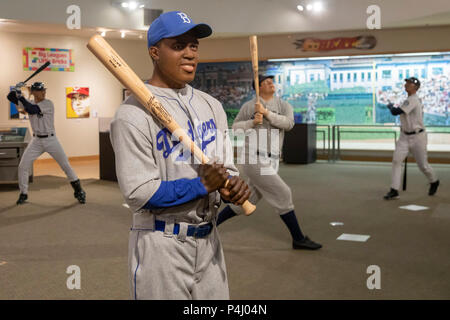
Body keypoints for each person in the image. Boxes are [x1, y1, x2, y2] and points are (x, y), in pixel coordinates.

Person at [109, 11, 250, 300]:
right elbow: (138, 193)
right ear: (154, 52)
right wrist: (201, 185)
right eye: (178, 46)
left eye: (194, 45)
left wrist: (231, 186)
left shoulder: (212, 105)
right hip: (161, 243)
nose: (190, 54)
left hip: (210, 239)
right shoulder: (131, 114)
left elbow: (226, 168)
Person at [216, 75, 322, 250]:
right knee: (284, 193)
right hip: (253, 158)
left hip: (272, 160)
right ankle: (298, 238)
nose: (270, 83)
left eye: (271, 81)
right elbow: (235, 129)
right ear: (257, 88)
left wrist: (267, 114)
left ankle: (210, 226)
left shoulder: (283, 105)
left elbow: (288, 124)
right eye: (265, 82)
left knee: (246, 202)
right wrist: (252, 122)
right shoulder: (249, 106)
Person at [6, 82, 86, 205]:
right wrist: (16, 89)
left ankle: (79, 191)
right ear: (33, 92)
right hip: (36, 141)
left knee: (65, 165)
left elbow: (32, 110)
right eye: (40, 90)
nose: (43, 92)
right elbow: (9, 97)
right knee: (23, 166)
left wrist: (20, 96)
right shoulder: (29, 102)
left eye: (44, 90)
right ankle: (23, 193)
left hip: (51, 140)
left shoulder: (48, 103)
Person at [384, 77, 439, 200]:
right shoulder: (408, 100)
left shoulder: (413, 100)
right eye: (406, 82)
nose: (406, 84)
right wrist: (392, 106)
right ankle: (394, 189)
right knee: (396, 161)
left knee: (423, 165)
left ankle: (434, 181)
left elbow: (395, 112)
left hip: (418, 136)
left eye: (409, 83)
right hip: (404, 136)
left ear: (415, 87)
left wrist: (390, 106)